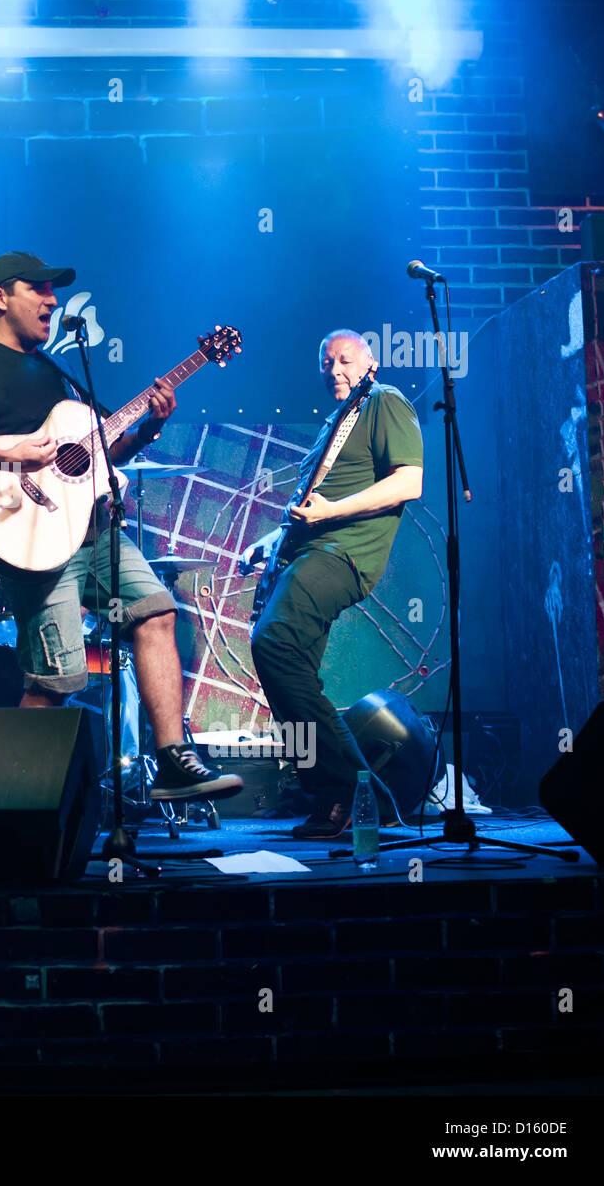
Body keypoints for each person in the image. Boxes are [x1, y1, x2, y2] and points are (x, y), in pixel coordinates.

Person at [0, 251, 242, 804]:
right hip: (27, 536)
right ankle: (9, 801)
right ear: (1, 298)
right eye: (39, 289)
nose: (52, 300)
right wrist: (13, 458)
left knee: (156, 612)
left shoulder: (55, 372)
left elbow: (94, 456)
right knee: (58, 678)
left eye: (55, 291)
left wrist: (148, 427)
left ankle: (171, 760)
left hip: (92, 528)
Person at [244, 329, 423, 838]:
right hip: (306, 549)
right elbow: (315, 499)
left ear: (370, 364)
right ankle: (328, 797)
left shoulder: (385, 401)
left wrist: (331, 513)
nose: (334, 369)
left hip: (341, 552)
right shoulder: (337, 422)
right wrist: (273, 538)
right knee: (291, 675)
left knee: (273, 644)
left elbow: (409, 481)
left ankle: (358, 790)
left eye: (345, 360)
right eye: (326, 363)